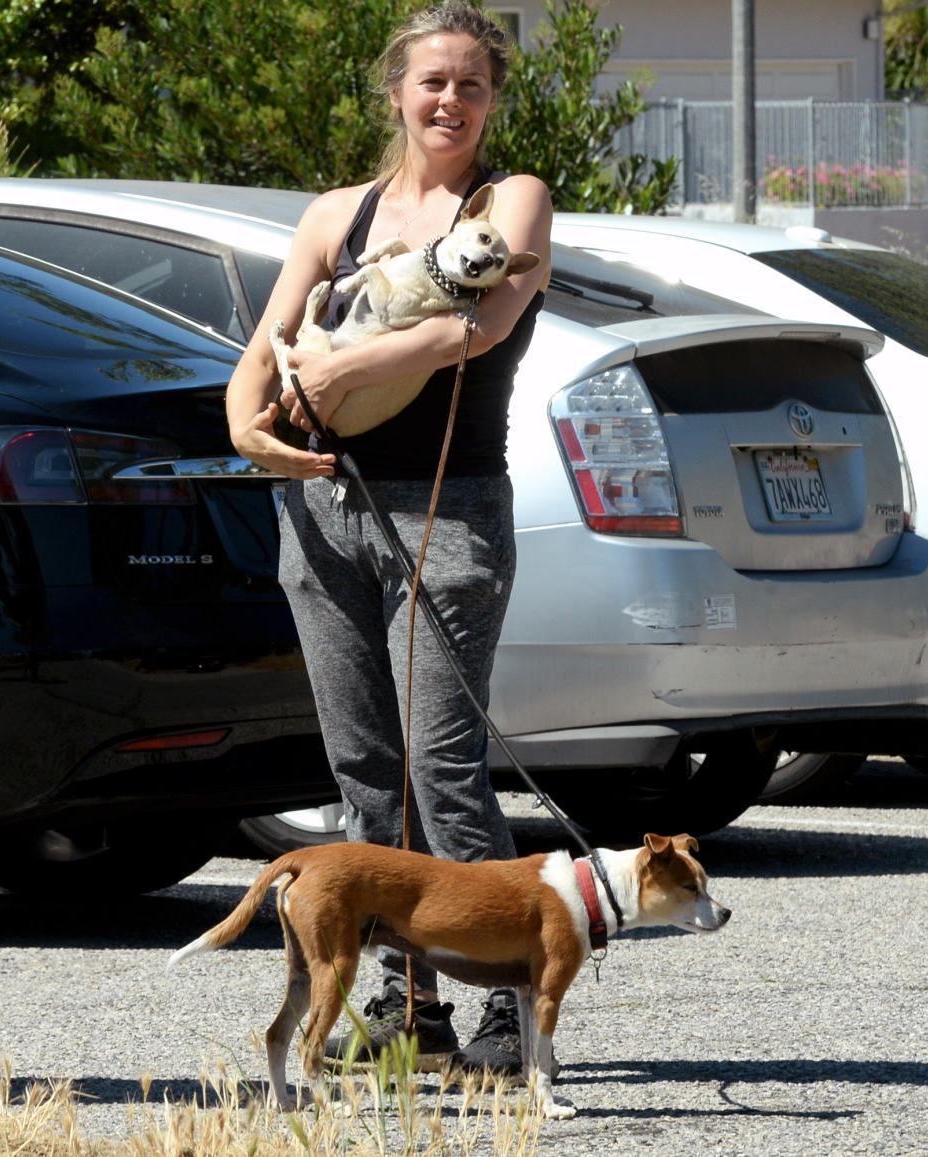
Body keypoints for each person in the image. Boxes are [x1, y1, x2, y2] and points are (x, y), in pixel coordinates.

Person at [225, 1, 552, 1075]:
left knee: (444, 765)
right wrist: (246, 428)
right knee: (365, 772)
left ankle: (511, 1007)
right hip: (319, 509)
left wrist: (341, 370)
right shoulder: (338, 212)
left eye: (470, 82)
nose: (450, 98)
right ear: (398, 94)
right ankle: (411, 1003)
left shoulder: (514, 202)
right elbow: (267, 349)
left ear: (491, 98)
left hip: (448, 515)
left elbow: (479, 326)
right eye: (432, 81)